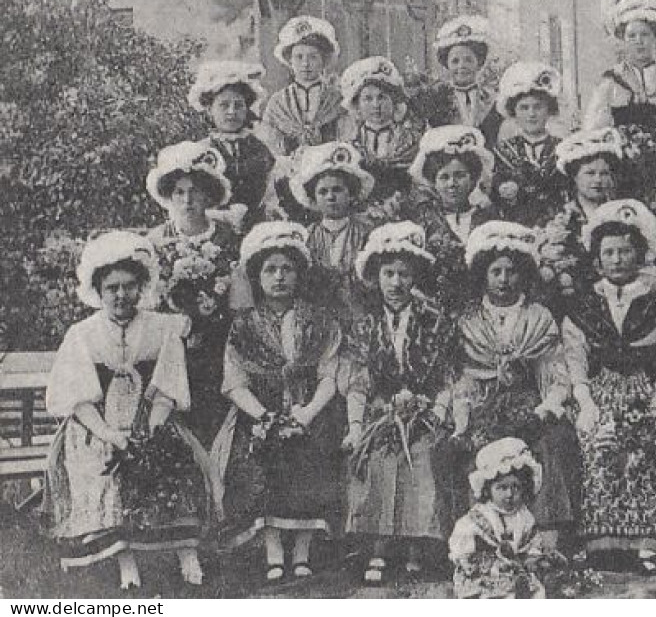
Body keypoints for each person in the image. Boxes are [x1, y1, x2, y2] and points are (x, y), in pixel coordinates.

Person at [43, 232, 214, 590]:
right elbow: (78, 399)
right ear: (98, 290)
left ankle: (186, 554)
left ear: (142, 287)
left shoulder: (160, 328)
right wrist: (109, 434)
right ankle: (126, 561)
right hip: (96, 425)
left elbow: (168, 385)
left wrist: (150, 430)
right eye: (112, 288)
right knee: (103, 463)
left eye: (130, 286)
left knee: (172, 459)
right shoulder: (82, 334)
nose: (121, 295)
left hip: (152, 418)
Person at [562, 200, 656, 571]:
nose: (618, 259)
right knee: (594, 439)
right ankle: (601, 541)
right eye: (609, 252)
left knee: (655, 439)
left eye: (625, 251)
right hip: (600, 388)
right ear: (597, 259)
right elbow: (574, 358)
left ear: (640, 254)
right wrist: (584, 399)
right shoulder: (583, 305)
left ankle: (650, 542)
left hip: (646, 388)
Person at [210, 222, 344, 583]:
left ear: (300, 274)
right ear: (258, 276)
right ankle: (273, 549)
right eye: (270, 269)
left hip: (309, 406)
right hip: (260, 408)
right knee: (257, 455)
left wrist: (308, 413)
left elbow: (331, 374)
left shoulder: (320, 320)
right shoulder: (244, 325)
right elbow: (234, 382)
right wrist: (265, 416)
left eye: (287, 269)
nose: (280, 277)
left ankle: (301, 550)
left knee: (312, 454)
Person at [342, 222, 460, 585]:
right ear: (376, 278)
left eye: (403, 275)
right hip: (381, 412)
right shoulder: (365, 324)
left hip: (425, 410)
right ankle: (378, 548)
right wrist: (357, 425)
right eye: (388, 274)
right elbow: (358, 379)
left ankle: (415, 547)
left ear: (415, 277)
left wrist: (437, 411)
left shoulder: (435, 320)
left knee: (422, 458)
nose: (395, 283)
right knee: (378, 457)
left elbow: (447, 374)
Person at [450, 222, 582, 545]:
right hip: (484, 402)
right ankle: (482, 533)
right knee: (465, 446)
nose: (504, 280)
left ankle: (547, 532)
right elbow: (462, 374)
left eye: (511, 271)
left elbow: (553, 366)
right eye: (496, 272)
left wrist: (550, 403)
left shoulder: (538, 316)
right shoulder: (468, 320)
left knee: (554, 439)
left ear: (523, 275)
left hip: (530, 401)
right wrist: (463, 411)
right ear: (484, 275)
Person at [144, 141, 240, 439]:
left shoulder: (226, 237)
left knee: (212, 418)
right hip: (169, 344)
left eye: (195, 191)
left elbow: (238, 298)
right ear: (169, 197)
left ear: (208, 195)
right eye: (179, 192)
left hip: (216, 344)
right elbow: (148, 298)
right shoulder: (157, 240)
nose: (188, 200)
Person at [584, 0, 656, 200]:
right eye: (631, 36)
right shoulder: (611, 81)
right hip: (622, 168)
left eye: (645, 35)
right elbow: (595, 128)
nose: (639, 41)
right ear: (622, 41)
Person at [448, 438, 563, 598]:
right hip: (483, 574)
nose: (509, 494)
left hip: (517, 573)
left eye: (516, 487)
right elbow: (462, 546)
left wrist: (532, 557)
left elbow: (533, 542)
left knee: (534, 591)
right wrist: (476, 562)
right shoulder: (478, 517)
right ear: (488, 490)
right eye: (502, 488)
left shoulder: (524, 517)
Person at [536, 127, 628, 311]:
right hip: (571, 303)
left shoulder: (623, 214)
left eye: (604, 173)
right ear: (575, 178)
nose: (598, 180)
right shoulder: (558, 217)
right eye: (590, 173)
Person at [408, 124, 497, 309]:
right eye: (444, 177)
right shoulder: (423, 220)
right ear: (434, 182)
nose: (452, 184)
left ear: (473, 179)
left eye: (460, 175)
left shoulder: (487, 218)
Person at [284, 142, 377, 313]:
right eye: (323, 192)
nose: (331, 197)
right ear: (314, 198)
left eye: (337, 190)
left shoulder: (367, 233)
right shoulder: (306, 237)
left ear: (350, 194)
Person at [189, 60, 276, 222]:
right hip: (213, 227)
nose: (232, 112)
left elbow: (271, 195)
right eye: (224, 105)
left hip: (255, 226)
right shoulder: (200, 151)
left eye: (238, 105)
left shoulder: (260, 149)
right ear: (209, 110)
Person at [489, 61, 569, 227]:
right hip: (514, 223)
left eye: (538, 107)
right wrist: (503, 189)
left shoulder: (563, 149)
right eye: (524, 108)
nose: (531, 114)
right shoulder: (502, 150)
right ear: (514, 112)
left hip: (556, 224)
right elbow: (494, 188)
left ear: (549, 110)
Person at [339, 56, 423, 207]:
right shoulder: (349, 145)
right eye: (368, 99)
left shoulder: (411, 141)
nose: (376, 105)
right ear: (357, 105)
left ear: (394, 101)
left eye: (382, 97)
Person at [260, 16, 344, 155]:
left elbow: (345, 137)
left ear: (323, 60)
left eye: (313, 57)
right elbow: (269, 143)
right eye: (299, 57)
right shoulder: (278, 102)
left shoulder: (336, 99)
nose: (305, 64)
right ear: (290, 61)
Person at [416, 15, 505, 146]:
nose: (461, 66)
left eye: (468, 60)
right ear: (447, 64)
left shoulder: (492, 99)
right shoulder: (437, 99)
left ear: (479, 62)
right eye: (455, 61)